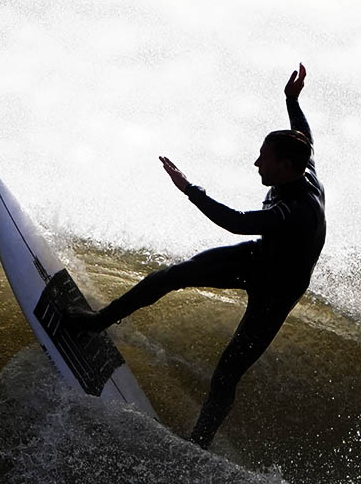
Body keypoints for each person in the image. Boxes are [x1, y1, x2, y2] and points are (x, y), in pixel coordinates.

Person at [69, 64, 326, 449]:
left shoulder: (298, 209)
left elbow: (237, 222)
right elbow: (304, 135)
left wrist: (190, 189)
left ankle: (197, 446)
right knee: (173, 275)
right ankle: (97, 322)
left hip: (278, 289)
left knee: (226, 373)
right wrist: (291, 100)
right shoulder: (300, 162)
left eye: (264, 158)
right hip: (260, 258)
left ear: (287, 167)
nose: (257, 163)